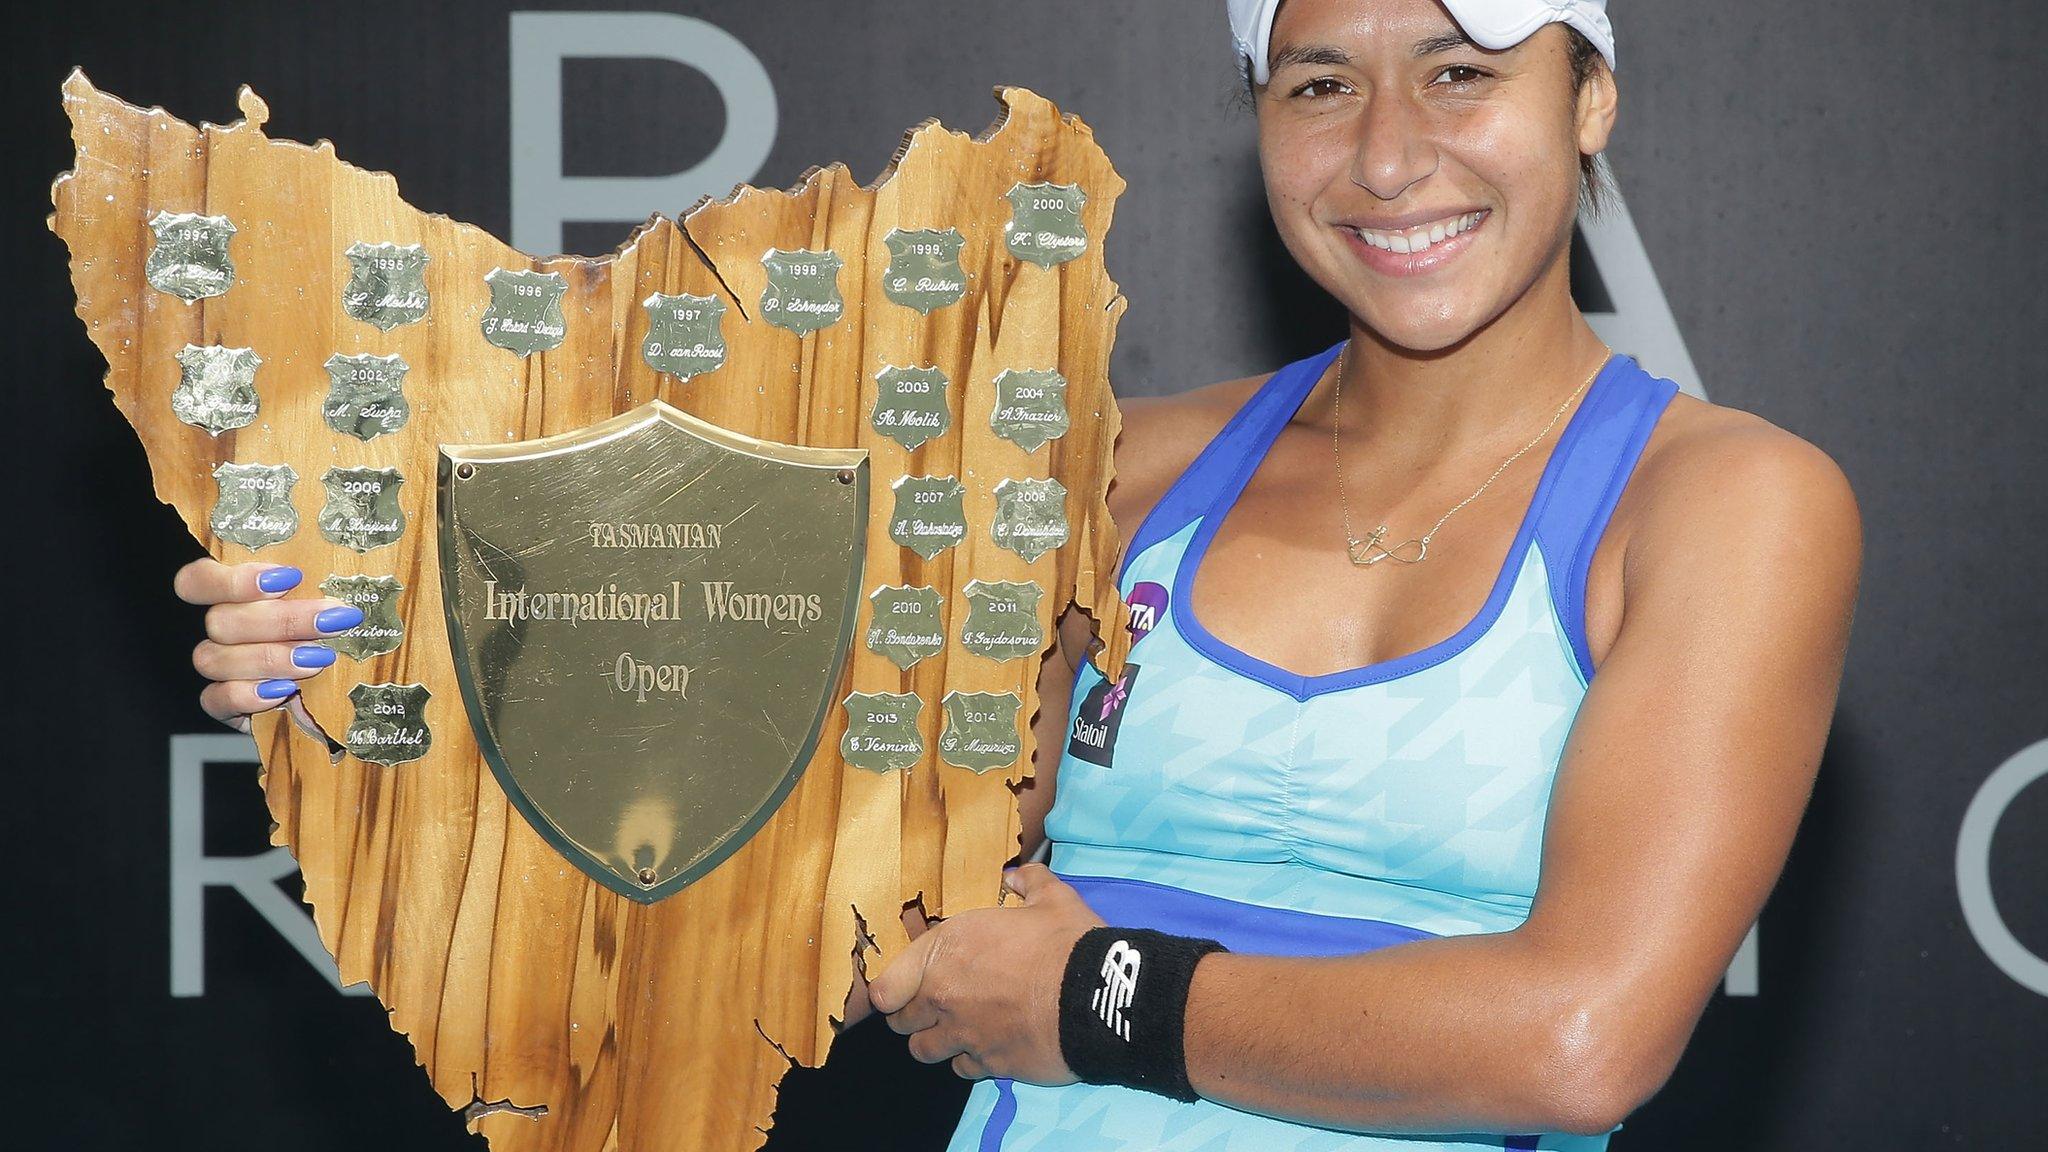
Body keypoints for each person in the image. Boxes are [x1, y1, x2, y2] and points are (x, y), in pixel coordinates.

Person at [174, 0, 1862, 1148]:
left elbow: (1578, 1041)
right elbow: (827, 895)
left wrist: (1084, 991)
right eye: (1321, 83)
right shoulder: (1112, 470)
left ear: (1594, 100)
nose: (1390, 157)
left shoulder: (1730, 501)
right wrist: (403, 680)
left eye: (1462, 71)